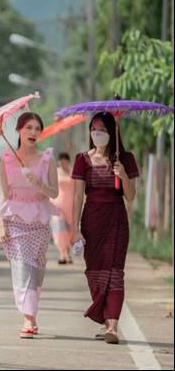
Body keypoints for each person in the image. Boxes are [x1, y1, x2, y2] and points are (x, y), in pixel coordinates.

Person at [71, 112, 138, 345]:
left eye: (102, 129)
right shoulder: (82, 159)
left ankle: (113, 325)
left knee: (115, 273)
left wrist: (123, 176)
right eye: (93, 129)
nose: (96, 133)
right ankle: (104, 320)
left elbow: (131, 196)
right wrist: (74, 227)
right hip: (91, 221)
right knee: (95, 273)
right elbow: (78, 195)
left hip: (117, 220)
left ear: (113, 132)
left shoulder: (126, 159)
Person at [0, 112, 58, 339]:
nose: (33, 132)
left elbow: (55, 192)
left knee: (36, 269)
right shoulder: (6, 159)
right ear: (19, 131)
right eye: (28, 128)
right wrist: (2, 226)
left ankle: (30, 313)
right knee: (21, 268)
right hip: (14, 222)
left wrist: (39, 184)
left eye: (37, 128)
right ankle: (28, 318)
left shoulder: (47, 158)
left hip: (39, 223)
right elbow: (4, 195)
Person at [50, 152, 75, 265]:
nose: (63, 162)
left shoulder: (74, 171)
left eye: (65, 160)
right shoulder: (55, 172)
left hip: (71, 206)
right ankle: (62, 253)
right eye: (61, 160)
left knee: (70, 231)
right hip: (58, 205)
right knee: (60, 230)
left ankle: (67, 253)